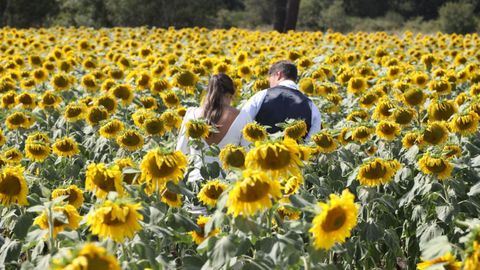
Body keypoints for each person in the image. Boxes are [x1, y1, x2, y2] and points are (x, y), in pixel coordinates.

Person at [176, 73, 252, 182]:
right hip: (228, 186)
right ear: (231, 93)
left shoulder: (191, 114)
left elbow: (181, 152)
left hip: (195, 182)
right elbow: (249, 155)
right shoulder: (242, 116)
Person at [241, 60, 321, 140]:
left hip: (262, 150)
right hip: (296, 151)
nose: (269, 83)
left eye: (270, 78)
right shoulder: (311, 106)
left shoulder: (261, 96)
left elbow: (242, 123)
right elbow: (311, 141)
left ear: (278, 75)